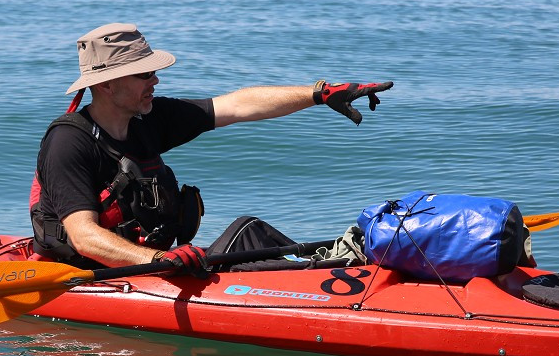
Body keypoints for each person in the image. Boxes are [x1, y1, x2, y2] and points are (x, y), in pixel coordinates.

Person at [30, 23, 393, 271]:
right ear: (107, 84)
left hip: (155, 266)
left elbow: (237, 105)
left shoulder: (149, 118)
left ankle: (323, 273)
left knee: (249, 232)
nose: (155, 80)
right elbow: (84, 237)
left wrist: (320, 94)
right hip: (93, 277)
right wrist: (162, 259)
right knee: (242, 240)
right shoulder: (69, 141)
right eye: (144, 74)